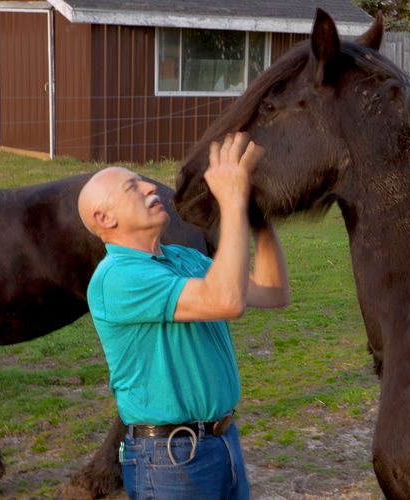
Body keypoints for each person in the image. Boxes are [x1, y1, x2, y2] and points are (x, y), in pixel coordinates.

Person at [77, 132, 289, 499]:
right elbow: (227, 301)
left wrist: (260, 219)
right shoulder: (117, 278)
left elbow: (273, 292)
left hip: (223, 442)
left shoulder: (185, 259)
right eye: (132, 187)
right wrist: (232, 201)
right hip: (170, 459)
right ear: (104, 217)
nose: (148, 188)